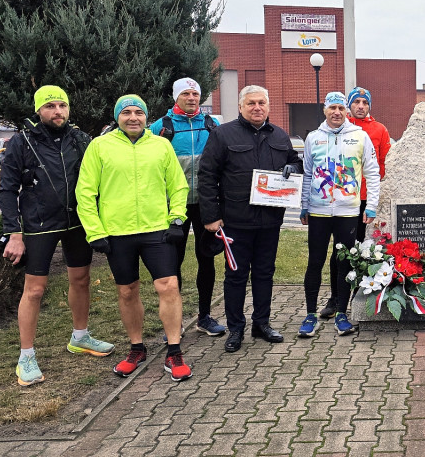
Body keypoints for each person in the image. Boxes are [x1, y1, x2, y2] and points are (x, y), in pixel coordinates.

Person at [0, 86, 114, 386]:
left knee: (81, 279)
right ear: (39, 110)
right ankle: (26, 356)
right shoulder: (21, 142)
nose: (57, 111)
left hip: (77, 222)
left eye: (62, 105)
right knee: (35, 290)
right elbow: (7, 190)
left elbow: (104, 169)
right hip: (38, 225)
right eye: (50, 106)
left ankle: (80, 336)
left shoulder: (79, 139)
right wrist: (13, 232)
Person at [76, 95, 192, 382]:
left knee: (169, 286)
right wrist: (95, 231)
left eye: (138, 113)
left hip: (156, 230)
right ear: (117, 117)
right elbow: (85, 192)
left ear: (146, 117)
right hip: (117, 233)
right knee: (127, 291)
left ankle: (174, 350)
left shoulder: (161, 145)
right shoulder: (99, 147)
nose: (133, 118)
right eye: (126, 112)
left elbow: (178, 185)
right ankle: (136, 348)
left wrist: (177, 218)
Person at [199, 85, 301, 352]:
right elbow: (207, 176)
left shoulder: (279, 135)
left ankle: (262, 323)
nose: (257, 108)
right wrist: (211, 216)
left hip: (269, 221)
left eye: (262, 103)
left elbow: (295, 163)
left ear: (268, 106)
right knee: (235, 276)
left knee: (265, 274)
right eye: (252, 103)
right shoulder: (223, 134)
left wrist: (293, 166)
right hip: (235, 221)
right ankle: (235, 329)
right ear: (241, 107)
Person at [298, 92, 381, 338]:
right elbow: (307, 174)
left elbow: (373, 173)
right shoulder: (314, 138)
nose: (337, 112)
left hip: (348, 211)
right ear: (325, 110)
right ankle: (310, 314)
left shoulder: (360, 136)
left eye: (341, 108)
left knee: (345, 262)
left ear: (346, 111)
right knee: (315, 261)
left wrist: (372, 206)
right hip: (319, 211)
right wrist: (304, 206)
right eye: (332, 108)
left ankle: (342, 313)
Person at [148, 78, 226, 338]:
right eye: (186, 94)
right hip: (174, 205)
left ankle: (204, 316)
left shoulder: (211, 124)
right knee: (173, 262)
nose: (192, 98)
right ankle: (176, 320)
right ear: (176, 97)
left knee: (207, 259)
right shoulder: (161, 126)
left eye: (195, 94)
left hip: (205, 203)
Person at [318, 86, 391, 320]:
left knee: (357, 249)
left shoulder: (379, 130)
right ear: (349, 105)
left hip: (362, 201)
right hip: (339, 199)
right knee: (338, 251)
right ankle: (335, 298)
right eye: (356, 102)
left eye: (364, 102)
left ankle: (353, 295)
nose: (361, 106)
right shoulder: (338, 129)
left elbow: (383, 165)